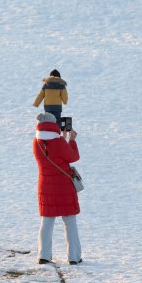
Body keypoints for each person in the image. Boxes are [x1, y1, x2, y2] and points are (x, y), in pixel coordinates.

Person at [33, 113, 82, 265]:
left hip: (45, 187)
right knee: (70, 222)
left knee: (46, 223)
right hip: (64, 187)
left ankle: (44, 255)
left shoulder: (36, 142)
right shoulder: (60, 142)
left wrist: (62, 138)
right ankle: (74, 257)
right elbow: (73, 157)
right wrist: (71, 140)